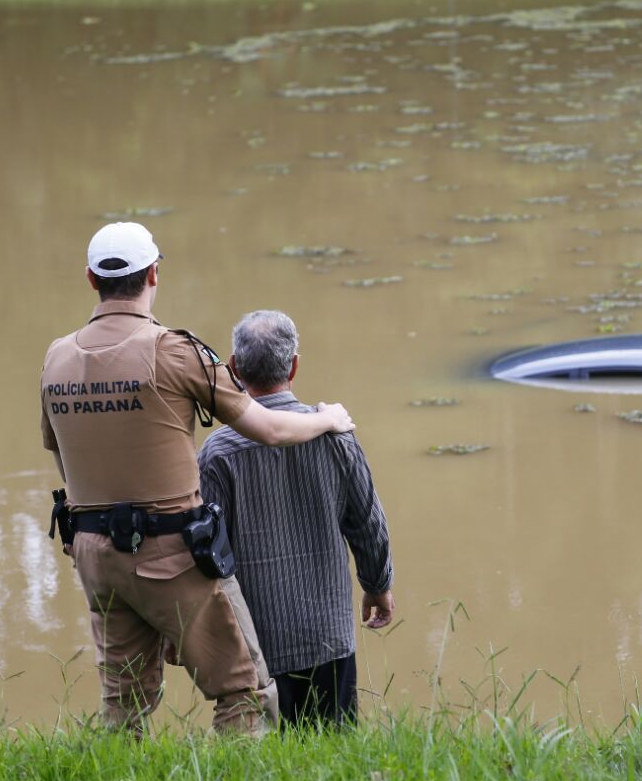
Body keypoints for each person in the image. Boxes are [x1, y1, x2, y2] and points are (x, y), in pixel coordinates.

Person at [40, 222, 355, 736]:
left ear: (91, 281)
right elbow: (268, 428)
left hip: (94, 555)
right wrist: (327, 419)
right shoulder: (174, 351)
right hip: (171, 556)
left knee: (124, 704)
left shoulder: (56, 358)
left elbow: (61, 455)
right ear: (154, 275)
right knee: (246, 692)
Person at [198, 309, 394, 728]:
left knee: (270, 762)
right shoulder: (335, 431)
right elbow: (367, 522)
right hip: (329, 633)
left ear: (233, 368)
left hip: (257, 640)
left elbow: (209, 552)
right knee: (335, 755)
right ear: (295, 366)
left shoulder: (217, 453)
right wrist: (378, 586)